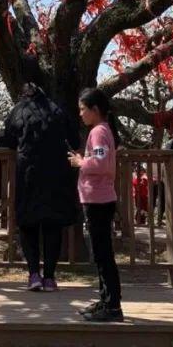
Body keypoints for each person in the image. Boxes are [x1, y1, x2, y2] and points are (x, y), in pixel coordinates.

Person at [0, 66, 79, 292]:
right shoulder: (57, 110)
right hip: (56, 174)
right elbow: (74, 138)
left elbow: (10, 139)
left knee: (28, 224)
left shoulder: (18, 111)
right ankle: (49, 277)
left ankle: (33, 275)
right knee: (53, 225)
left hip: (28, 173)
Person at [69, 88, 123, 322]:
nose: (80, 114)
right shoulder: (102, 131)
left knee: (103, 255)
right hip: (99, 197)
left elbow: (99, 162)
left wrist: (81, 161)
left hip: (98, 198)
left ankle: (112, 306)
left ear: (95, 110)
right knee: (101, 254)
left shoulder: (98, 132)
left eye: (83, 109)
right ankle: (106, 299)